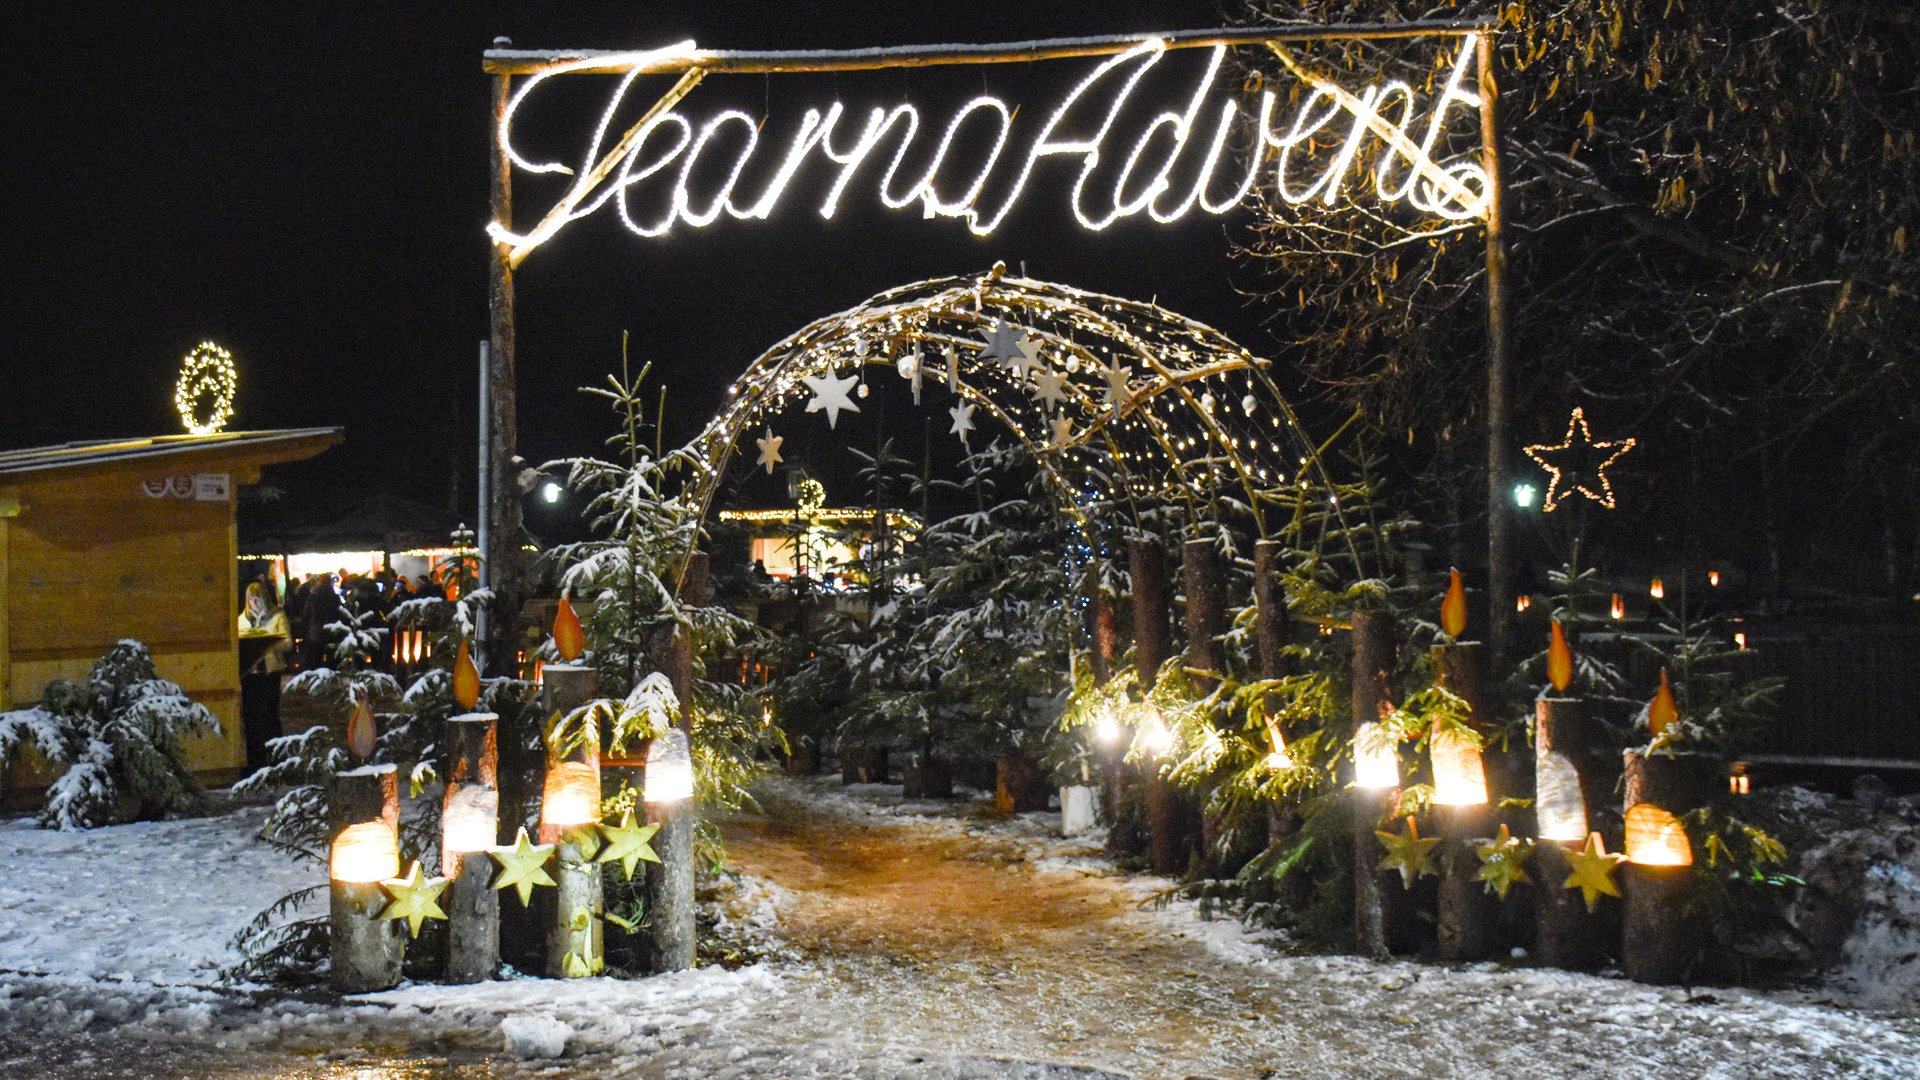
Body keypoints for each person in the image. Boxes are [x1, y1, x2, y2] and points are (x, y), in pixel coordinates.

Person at [238, 581, 292, 771]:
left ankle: (276, 757)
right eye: (251, 599)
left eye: (258, 597)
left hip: (270, 672)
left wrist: (267, 643)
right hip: (250, 674)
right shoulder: (241, 620)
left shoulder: (277, 617)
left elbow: (288, 643)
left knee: (270, 715)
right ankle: (255, 759)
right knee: (251, 717)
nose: (254, 602)